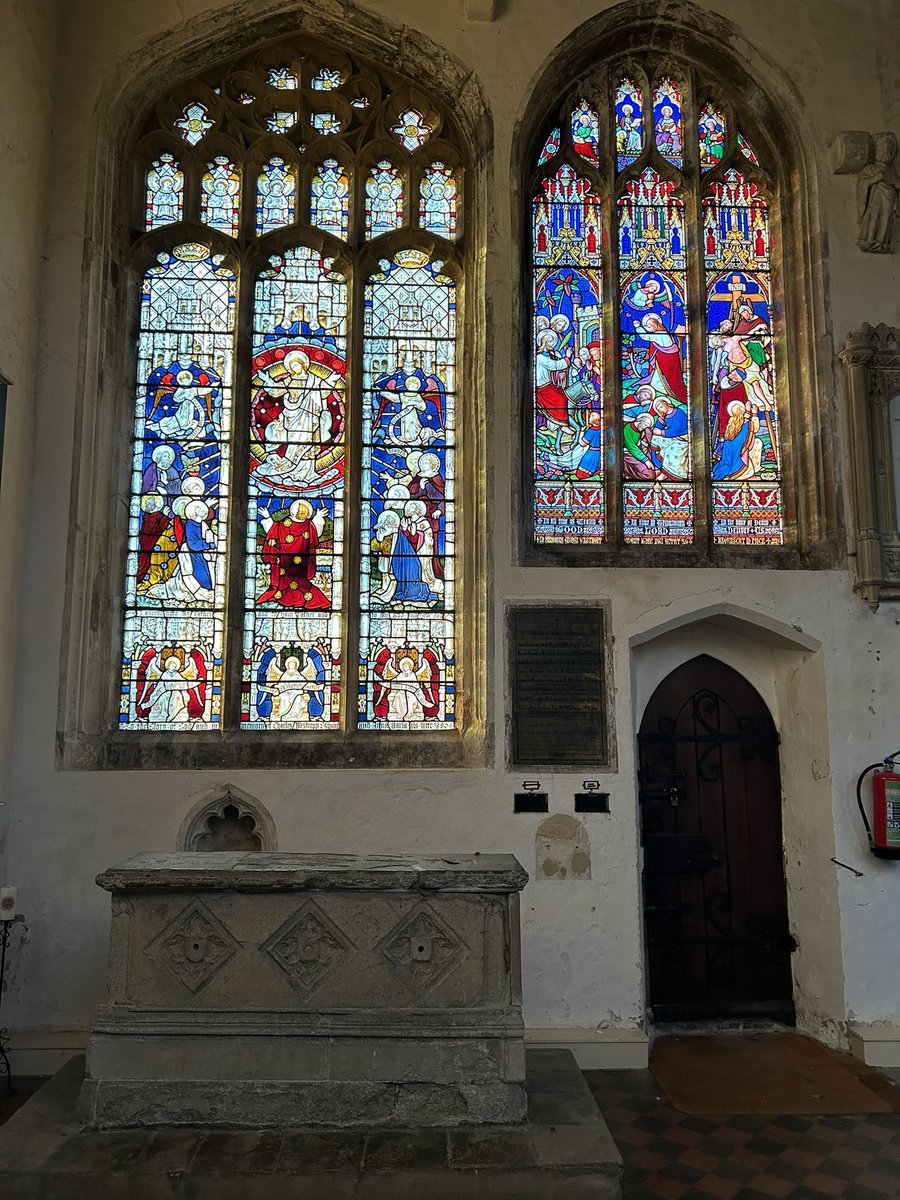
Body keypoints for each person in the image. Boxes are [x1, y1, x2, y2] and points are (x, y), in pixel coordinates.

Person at [253, 349, 342, 488]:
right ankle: (292, 472)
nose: (295, 368)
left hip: (310, 418)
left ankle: (308, 474)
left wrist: (330, 381)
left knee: (310, 446)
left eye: (297, 365)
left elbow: (323, 392)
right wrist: (267, 380)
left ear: (303, 365)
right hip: (292, 417)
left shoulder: (314, 379)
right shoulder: (289, 380)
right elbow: (277, 390)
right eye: (292, 366)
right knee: (294, 444)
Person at [258, 498, 329, 609]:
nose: (303, 513)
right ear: (294, 511)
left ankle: (302, 597)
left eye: (306, 511)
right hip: (284, 563)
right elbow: (274, 529)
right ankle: (283, 596)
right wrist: (267, 518)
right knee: (284, 581)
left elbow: (316, 532)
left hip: (302, 563)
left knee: (302, 582)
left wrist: (319, 517)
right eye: (301, 510)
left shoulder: (308, 525)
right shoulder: (284, 525)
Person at [857, 132, 899, 253]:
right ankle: (870, 240)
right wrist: (875, 178)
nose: (886, 151)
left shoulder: (891, 169)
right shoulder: (870, 168)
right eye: (883, 148)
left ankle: (882, 241)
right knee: (874, 217)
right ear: (877, 150)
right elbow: (862, 183)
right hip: (876, 200)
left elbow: (895, 182)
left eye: (890, 149)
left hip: (889, 200)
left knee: (886, 219)